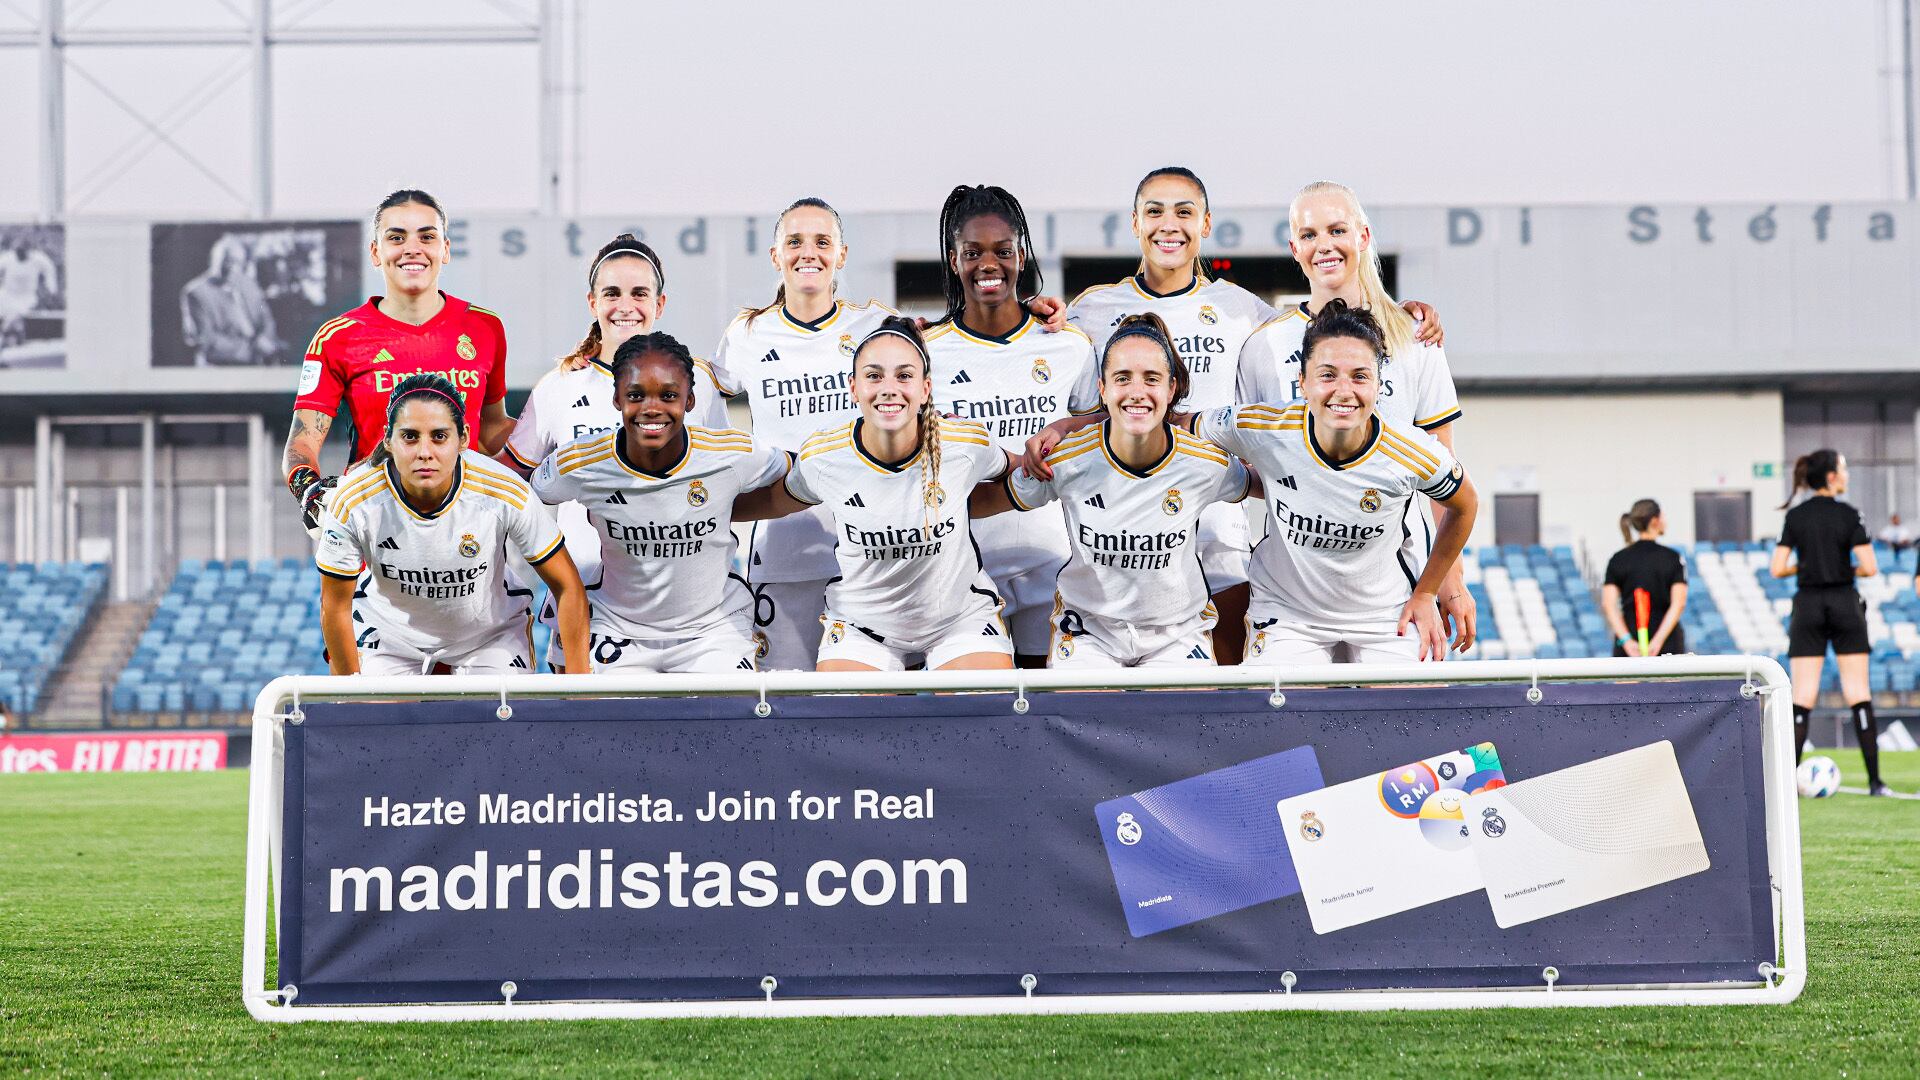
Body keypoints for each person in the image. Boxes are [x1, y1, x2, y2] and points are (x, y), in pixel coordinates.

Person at [1064, 167, 1445, 664]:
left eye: (1184, 212)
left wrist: (1404, 312)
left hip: (1225, 532)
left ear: (1206, 224)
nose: (1168, 224)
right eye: (1154, 211)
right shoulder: (1089, 309)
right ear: (1135, 222)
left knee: (1223, 692)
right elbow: (1064, 380)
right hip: (1124, 532)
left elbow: (1329, 323)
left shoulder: (1246, 313)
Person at [694, 197, 1064, 670]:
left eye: (822, 241)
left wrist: (1022, 309)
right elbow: (690, 390)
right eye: (794, 242)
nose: (809, 253)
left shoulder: (874, 323)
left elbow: (958, 328)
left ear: (842, 254)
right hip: (788, 548)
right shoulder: (747, 334)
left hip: (891, 556)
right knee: (796, 700)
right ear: (775, 255)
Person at [1031, 302, 1476, 665]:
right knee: (1279, 722)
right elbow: (1169, 417)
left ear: (1381, 384)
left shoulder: (1409, 450)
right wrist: (1073, 425)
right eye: (1327, 375)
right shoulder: (1262, 426)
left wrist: (1429, 590)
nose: (1344, 390)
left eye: (1360, 376)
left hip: (1385, 615)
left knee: (1407, 717)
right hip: (1290, 616)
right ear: (1301, 382)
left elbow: (1466, 505)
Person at [1238, 180, 1475, 654]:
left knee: (1403, 722)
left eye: (1337, 229)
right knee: (1285, 725)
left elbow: (1444, 475)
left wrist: (1448, 583)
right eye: (1309, 235)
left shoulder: (1414, 337)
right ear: (1294, 248)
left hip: (1393, 588)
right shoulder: (1264, 346)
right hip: (1293, 593)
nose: (1324, 245)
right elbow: (1249, 466)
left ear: (1364, 236)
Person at [499, 233, 726, 670]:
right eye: (612, 293)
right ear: (592, 302)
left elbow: (723, 482)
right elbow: (510, 478)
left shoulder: (697, 383)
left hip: (686, 611)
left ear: (660, 304)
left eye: (640, 293)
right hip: (585, 601)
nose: (626, 305)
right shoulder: (559, 387)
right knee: (587, 732)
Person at [735, 318, 1015, 671]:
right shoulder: (824, 457)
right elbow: (776, 499)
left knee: (982, 713)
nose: (889, 388)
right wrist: (708, 513)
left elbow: (1021, 471)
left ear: (926, 388)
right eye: (873, 376)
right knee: (847, 723)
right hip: (863, 628)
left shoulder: (964, 443)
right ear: (852, 388)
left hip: (959, 621)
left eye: (904, 376)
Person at [974, 314, 1252, 667]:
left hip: (1177, 634)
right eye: (1123, 379)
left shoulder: (1205, 461)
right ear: (1103, 389)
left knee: (1184, 721)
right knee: (1074, 719)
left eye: (1151, 379)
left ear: (1171, 389)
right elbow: (988, 500)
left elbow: (1267, 485)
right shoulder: (1066, 458)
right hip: (1089, 631)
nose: (1137, 392)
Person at [532, 333, 789, 673]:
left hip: (711, 630)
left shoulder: (730, 453)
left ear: (691, 400)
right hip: (618, 627)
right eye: (636, 395)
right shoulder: (579, 463)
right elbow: (525, 507)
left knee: (728, 722)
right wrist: (564, 584)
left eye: (668, 395)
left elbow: (801, 479)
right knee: (599, 724)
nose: (652, 409)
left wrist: (727, 508)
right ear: (616, 399)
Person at [922, 184, 1098, 666]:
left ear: (1021, 255)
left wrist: (1063, 427)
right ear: (954, 262)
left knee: (1049, 711)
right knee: (981, 710)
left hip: (1053, 558)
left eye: (1002, 251)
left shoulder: (1069, 344)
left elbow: (1103, 424)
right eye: (972, 253)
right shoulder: (927, 353)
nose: (988, 264)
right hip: (963, 566)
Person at [315, 373, 588, 675]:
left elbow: (568, 586)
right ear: (388, 440)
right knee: (377, 720)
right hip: (389, 635)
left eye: (439, 436)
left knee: (501, 720)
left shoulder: (504, 491)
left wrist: (581, 691)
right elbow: (335, 605)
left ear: (464, 438)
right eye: (409, 436)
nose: (424, 452)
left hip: (488, 637)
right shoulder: (354, 499)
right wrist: (348, 700)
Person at [285, 189, 514, 538]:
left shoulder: (485, 328)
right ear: (376, 253)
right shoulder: (337, 337)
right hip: (372, 535)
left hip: (469, 533)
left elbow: (492, 429)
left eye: (427, 236)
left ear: (445, 249)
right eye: (396, 237)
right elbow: (301, 444)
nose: (412, 248)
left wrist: (561, 434)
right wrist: (310, 491)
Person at [1772, 449, 1889, 795]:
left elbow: (1777, 568)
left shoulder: (1796, 517)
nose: (1847, 475)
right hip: (1843, 603)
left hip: (1807, 604)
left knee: (1802, 696)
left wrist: (1805, 566)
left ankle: (1785, 788)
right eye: (1844, 469)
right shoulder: (1850, 515)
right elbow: (1869, 567)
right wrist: (1842, 567)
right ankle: (1875, 782)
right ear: (1833, 477)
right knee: (1859, 692)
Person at [1602, 499, 1688, 656]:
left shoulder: (1618, 559)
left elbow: (1608, 604)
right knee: (1670, 682)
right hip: (1667, 644)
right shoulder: (1672, 558)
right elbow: (1679, 603)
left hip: (1628, 645)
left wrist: (1626, 640)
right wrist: (1658, 641)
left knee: (1628, 681)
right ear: (1655, 521)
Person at [180, 235, 279, 366]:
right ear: (213, 260)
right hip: (220, 369)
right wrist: (253, 350)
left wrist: (266, 340)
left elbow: (266, 320)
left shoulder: (249, 285)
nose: (230, 267)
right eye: (226, 261)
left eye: (236, 262)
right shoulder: (196, 293)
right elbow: (208, 342)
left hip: (259, 364)